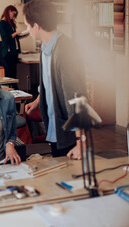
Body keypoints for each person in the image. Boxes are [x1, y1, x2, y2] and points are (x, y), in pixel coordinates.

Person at [23, 0, 87, 159]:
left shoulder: (65, 50)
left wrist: (80, 143)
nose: (27, 30)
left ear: (36, 26)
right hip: (54, 128)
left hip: (70, 134)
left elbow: (76, 98)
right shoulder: (45, 47)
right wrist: (37, 101)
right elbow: (49, 83)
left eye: (28, 26)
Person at [0, 5, 23, 79]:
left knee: (14, 74)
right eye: (14, 14)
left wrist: (24, 34)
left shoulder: (10, 23)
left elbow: (14, 37)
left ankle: (14, 89)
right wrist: (15, 33)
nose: (14, 16)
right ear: (9, 12)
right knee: (10, 74)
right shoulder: (2, 23)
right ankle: (12, 89)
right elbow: (5, 38)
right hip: (8, 53)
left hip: (14, 52)